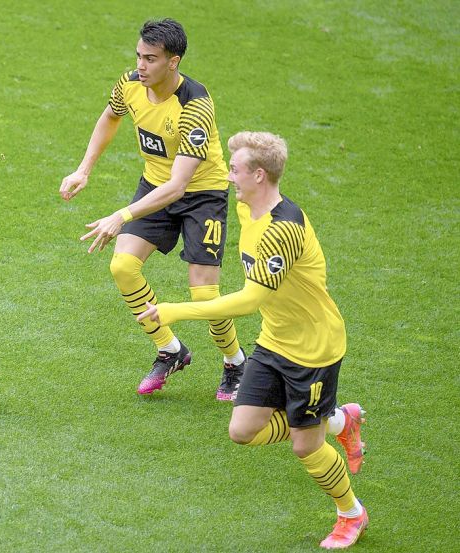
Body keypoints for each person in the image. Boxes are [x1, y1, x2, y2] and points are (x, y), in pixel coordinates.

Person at [139, 132, 368, 549]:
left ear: (259, 175)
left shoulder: (283, 230)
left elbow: (249, 300)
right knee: (243, 430)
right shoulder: (249, 211)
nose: (229, 177)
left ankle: (351, 513)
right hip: (275, 341)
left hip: (314, 350)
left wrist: (173, 310)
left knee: (306, 448)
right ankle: (337, 419)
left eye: (236, 169)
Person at [61, 18, 245, 399]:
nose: (140, 66)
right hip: (155, 185)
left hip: (201, 194)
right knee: (123, 266)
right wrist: (84, 169)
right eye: (139, 56)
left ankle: (235, 362)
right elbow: (111, 116)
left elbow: (179, 186)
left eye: (151, 59)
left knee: (204, 295)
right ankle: (170, 350)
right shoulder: (130, 83)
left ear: (173, 61)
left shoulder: (195, 106)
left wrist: (121, 215)